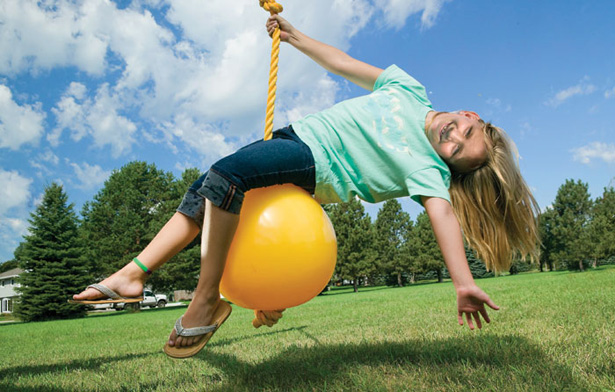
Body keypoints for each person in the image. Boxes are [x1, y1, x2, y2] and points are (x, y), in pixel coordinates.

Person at [71, 15, 540, 358]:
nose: (453, 138)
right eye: (464, 131)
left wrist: (462, 281)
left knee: (226, 177)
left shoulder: (428, 170)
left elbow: (442, 215)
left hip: (316, 164)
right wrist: (296, 38)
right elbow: (345, 64)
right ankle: (136, 271)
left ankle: (207, 299)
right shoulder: (409, 90)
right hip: (297, 136)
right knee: (203, 194)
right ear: (473, 116)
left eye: (457, 152)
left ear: (449, 165)